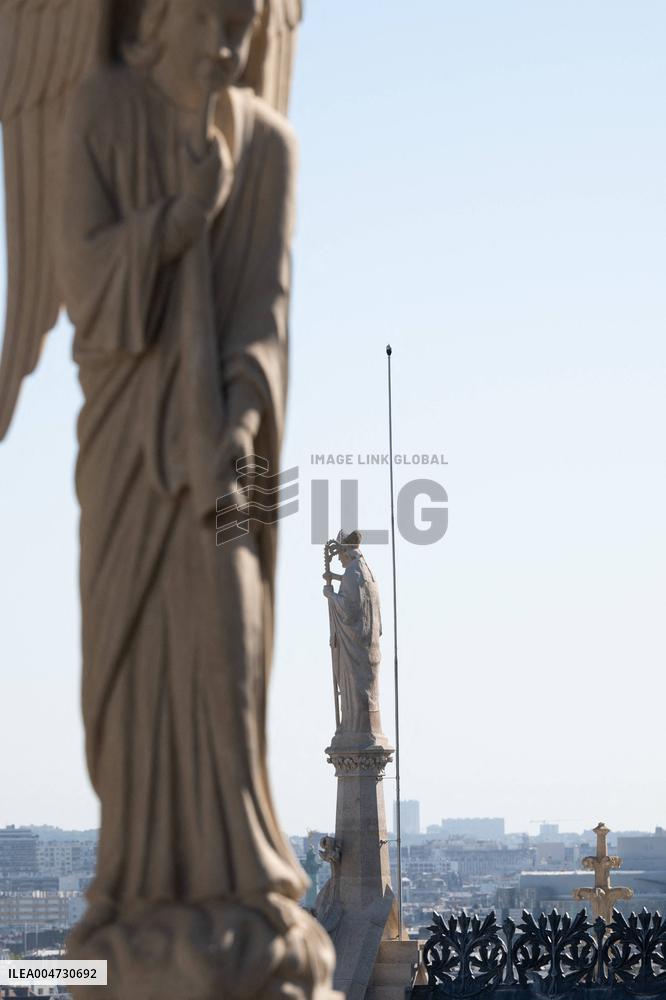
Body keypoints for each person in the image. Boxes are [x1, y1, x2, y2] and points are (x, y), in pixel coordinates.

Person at [59, 0, 306, 936]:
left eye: (245, 24)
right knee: (130, 668)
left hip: (229, 457)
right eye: (209, 18)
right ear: (156, 15)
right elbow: (84, 284)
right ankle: (137, 892)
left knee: (231, 634)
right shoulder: (100, 108)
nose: (228, 46)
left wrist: (239, 430)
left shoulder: (270, 149)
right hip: (127, 450)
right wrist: (178, 219)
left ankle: (241, 872)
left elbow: (264, 333)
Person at [323, 531, 387, 746]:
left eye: (340, 554)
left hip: (356, 650)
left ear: (346, 552)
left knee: (356, 693)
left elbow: (349, 611)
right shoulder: (365, 571)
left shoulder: (353, 573)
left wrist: (331, 595)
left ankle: (352, 726)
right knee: (366, 692)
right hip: (369, 648)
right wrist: (336, 579)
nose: (339, 559)